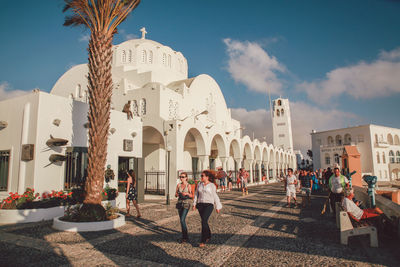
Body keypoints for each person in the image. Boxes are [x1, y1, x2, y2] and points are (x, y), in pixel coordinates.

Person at [193, 170, 222, 247]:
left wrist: (218, 206)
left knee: (204, 221)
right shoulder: (199, 184)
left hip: (209, 204)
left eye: (203, 176)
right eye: (201, 176)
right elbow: (196, 194)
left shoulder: (212, 185)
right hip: (200, 204)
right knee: (204, 221)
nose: (201, 177)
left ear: (207, 177)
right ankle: (208, 235)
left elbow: (215, 196)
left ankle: (203, 240)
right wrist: (194, 203)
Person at [175, 172, 193, 243]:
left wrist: (186, 194)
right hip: (179, 203)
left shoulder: (188, 185)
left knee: (182, 219)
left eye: (182, 177)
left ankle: (185, 237)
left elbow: (192, 195)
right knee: (181, 220)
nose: (181, 178)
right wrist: (177, 194)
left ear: (186, 178)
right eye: (180, 177)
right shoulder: (178, 185)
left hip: (186, 203)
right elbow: (175, 194)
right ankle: (184, 236)